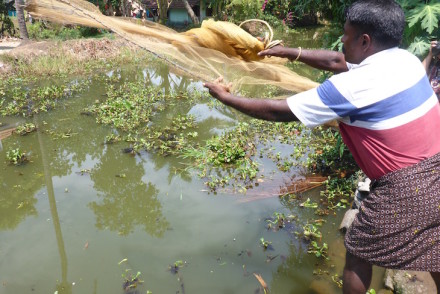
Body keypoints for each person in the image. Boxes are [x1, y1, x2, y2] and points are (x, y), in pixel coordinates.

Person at [203, 0, 440, 293]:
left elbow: (278, 111)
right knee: (435, 246)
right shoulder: (405, 61)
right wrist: (290, 52)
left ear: (364, 41)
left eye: (346, 34)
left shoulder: (351, 87)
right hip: (437, 169)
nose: (341, 39)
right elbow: (338, 61)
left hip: (407, 186)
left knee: (358, 251)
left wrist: (225, 97)